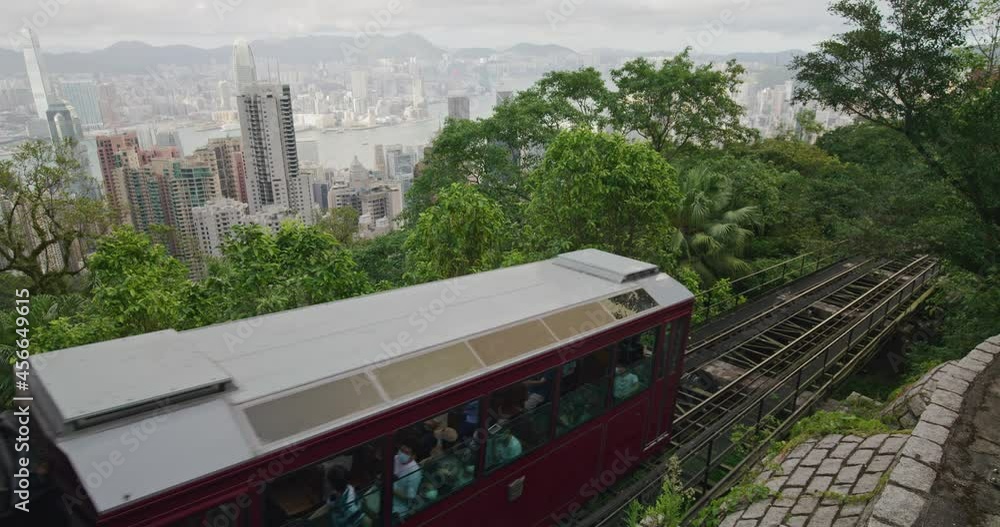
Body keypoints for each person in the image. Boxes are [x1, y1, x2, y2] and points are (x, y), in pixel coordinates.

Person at [391, 444, 422, 520]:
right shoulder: (395, 458)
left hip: (398, 506)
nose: (402, 454)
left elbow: (409, 497)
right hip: (383, 495)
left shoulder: (414, 472)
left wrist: (391, 488)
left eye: (406, 453)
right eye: (401, 450)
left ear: (413, 456)